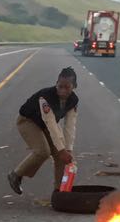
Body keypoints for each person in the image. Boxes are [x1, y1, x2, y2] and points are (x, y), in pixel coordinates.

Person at [7, 67, 79, 196]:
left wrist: (67, 149)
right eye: (60, 86)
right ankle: (15, 174)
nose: (62, 90)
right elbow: (50, 122)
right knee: (43, 151)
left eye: (67, 87)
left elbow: (70, 126)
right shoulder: (45, 97)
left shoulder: (73, 101)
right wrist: (62, 150)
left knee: (61, 157)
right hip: (28, 121)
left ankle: (59, 193)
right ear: (56, 84)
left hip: (46, 124)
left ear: (74, 86)